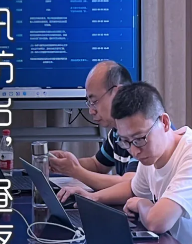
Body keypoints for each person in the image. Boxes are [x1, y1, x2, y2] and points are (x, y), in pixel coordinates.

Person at [58, 82, 192, 244]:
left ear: (164, 122)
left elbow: (158, 222)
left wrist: (142, 204)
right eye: (126, 141)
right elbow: (133, 189)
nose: (134, 151)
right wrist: (92, 198)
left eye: (139, 139)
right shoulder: (151, 152)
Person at [49, 60, 136, 190]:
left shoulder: (142, 133)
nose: (91, 111)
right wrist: (68, 164)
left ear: (118, 93)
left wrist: (75, 171)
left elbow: (130, 184)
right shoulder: (116, 132)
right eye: (89, 103)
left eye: (94, 101)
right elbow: (97, 165)